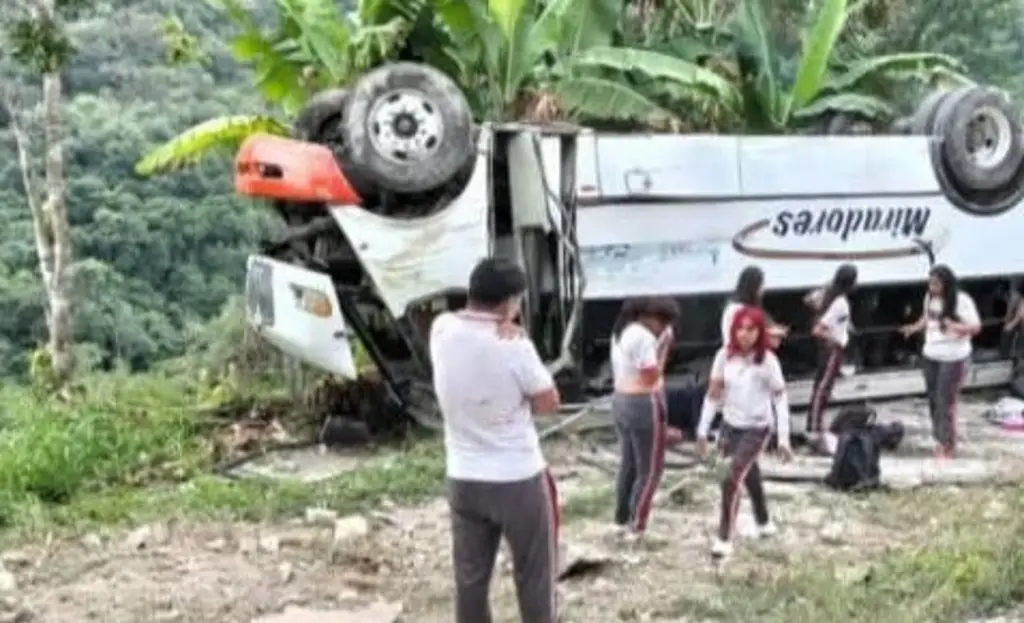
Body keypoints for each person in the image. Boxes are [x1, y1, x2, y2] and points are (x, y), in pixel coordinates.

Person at [429, 257, 561, 623]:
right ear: (510, 302)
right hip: (517, 477)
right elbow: (549, 402)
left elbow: (461, 324)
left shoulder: (441, 330)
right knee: (534, 578)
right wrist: (516, 333)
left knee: (470, 582)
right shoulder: (515, 346)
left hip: (463, 477)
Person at [695, 305, 793, 560]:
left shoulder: (768, 362)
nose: (744, 334)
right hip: (730, 425)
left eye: (751, 329)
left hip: (758, 428)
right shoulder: (723, 357)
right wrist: (702, 431)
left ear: (759, 332)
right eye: (739, 328)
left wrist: (784, 438)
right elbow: (713, 395)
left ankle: (724, 537)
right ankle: (763, 521)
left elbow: (780, 399)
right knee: (747, 474)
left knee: (730, 478)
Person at [610, 296, 680, 539]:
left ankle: (621, 519)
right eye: (663, 323)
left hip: (620, 399)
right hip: (643, 401)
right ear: (652, 318)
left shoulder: (621, 332)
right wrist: (662, 350)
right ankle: (637, 524)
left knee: (628, 464)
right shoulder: (644, 338)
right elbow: (650, 376)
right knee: (650, 469)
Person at [899, 264, 981, 458]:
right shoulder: (929, 298)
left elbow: (976, 327)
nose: (931, 287)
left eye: (935, 283)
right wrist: (913, 328)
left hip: (954, 356)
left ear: (946, 283)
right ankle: (939, 439)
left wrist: (954, 326)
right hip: (931, 354)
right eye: (930, 283)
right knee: (934, 400)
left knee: (946, 402)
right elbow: (926, 319)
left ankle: (948, 445)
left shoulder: (962, 300)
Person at [805, 263, 857, 438]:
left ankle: (814, 424)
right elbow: (818, 329)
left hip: (829, 349)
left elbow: (808, 299)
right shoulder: (840, 302)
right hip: (833, 349)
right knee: (823, 389)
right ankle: (815, 427)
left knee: (821, 386)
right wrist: (833, 339)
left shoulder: (829, 294)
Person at [721, 265, 789, 348]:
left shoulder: (737, 306)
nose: (762, 290)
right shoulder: (738, 309)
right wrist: (772, 333)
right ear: (753, 287)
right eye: (761, 286)